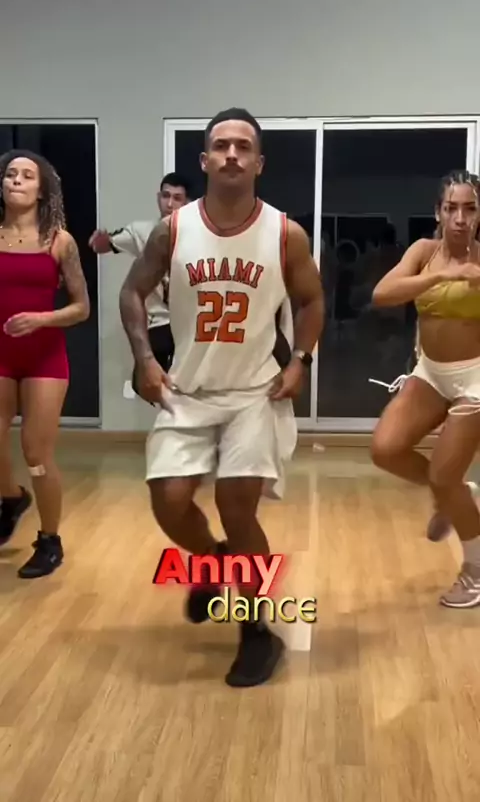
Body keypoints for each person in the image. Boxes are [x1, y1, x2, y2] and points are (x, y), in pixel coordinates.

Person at [119, 108, 324, 686]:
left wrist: (301, 359)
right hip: (189, 389)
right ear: (205, 160)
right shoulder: (173, 229)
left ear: (259, 163)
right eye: (221, 145)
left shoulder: (284, 233)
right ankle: (212, 566)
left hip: (255, 391)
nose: (232, 154)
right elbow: (133, 292)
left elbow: (312, 301)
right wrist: (145, 358)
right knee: (169, 501)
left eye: (243, 146)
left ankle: (257, 630)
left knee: (238, 506)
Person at [370, 169, 480, 608]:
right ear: (438, 212)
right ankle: (455, 495)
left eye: (469, 208)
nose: (460, 218)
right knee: (385, 449)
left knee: (443, 474)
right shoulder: (423, 252)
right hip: (431, 372)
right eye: (451, 208)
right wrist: (440, 278)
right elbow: (383, 294)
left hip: (476, 377)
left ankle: (475, 571)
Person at [0, 150, 90, 578]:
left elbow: (81, 308)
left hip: (43, 358)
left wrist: (41, 319)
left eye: (26, 175)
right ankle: (11, 497)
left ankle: (50, 539)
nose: (16, 180)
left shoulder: (60, 241)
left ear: (41, 190)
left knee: (36, 453)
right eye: (10, 174)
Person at [88, 173, 191, 382]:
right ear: (158, 197)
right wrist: (99, 241)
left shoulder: (199, 234)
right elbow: (104, 245)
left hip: (189, 324)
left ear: (188, 202)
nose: (169, 204)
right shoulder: (142, 231)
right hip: (159, 323)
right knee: (149, 382)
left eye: (177, 198)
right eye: (165, 196)